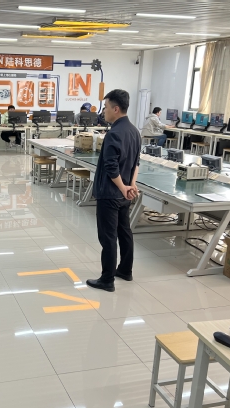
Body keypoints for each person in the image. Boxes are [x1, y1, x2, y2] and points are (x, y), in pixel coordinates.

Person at [87, 89, 141, 292]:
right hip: (124, 193)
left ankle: (107, 279)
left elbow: (111, 168)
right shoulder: (134, 131)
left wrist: (122, 186)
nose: (104, 111)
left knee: (108, 236)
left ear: (116, 109)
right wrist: (130, 185)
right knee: (124, 231)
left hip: (110, 193)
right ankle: (125, 270)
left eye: (106, 107)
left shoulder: (113, 134)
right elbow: (136, 163)